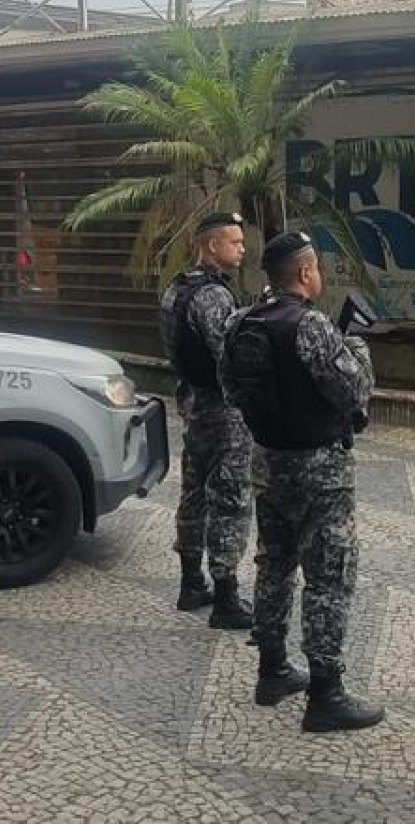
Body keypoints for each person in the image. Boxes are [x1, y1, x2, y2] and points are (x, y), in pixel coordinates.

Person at [220, 231, 384, 732]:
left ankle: (271, 671)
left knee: (274, 566)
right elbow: (354, 391)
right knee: (328, 577)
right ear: (307, 273)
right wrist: (356, 345)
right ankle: (326, 693)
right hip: (320, 472)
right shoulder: (312, 325)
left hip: (268, 462)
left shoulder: (238, 321)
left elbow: (231, 388)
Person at [159, 210, 255, 630]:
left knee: (193, 492)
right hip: (222, 409)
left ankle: (190, 582)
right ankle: (227, 596)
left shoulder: (175, 289)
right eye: (234, 241)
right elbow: (230, 356)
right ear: (212, 245)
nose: (242, 247)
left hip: (192, 404)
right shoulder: (213, 296)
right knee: (230, 497)